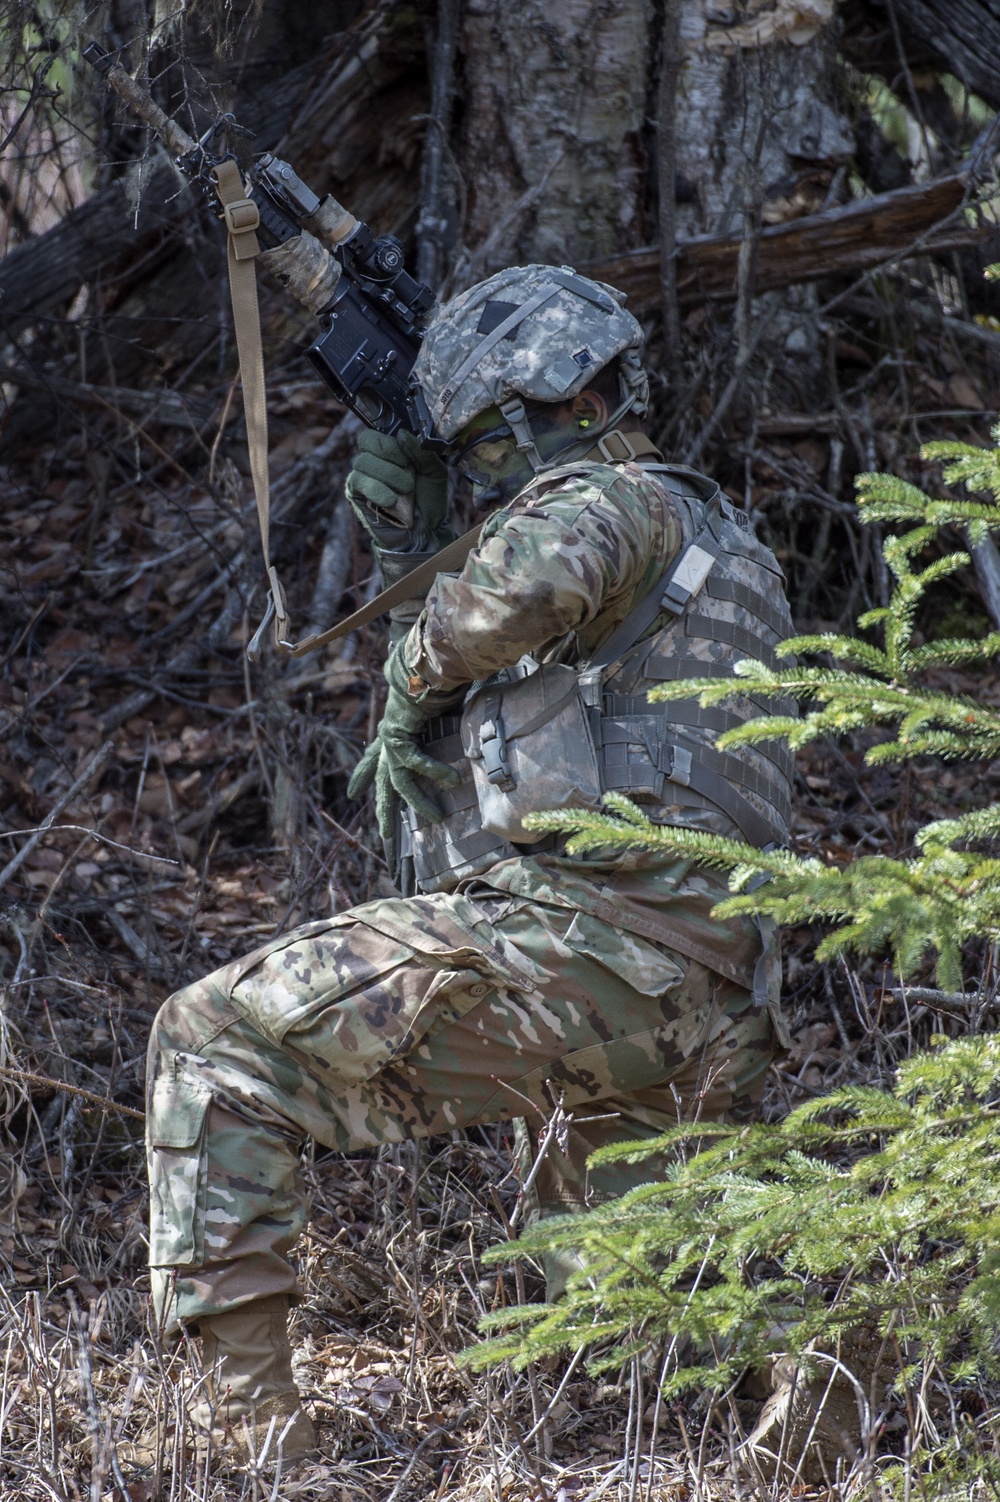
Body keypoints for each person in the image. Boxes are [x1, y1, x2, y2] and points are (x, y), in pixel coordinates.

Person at [143, 264, 794, 1463]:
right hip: (706, 996)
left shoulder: (617, 502)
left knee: (211, 1038)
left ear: (529, 415)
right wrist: (420, 557)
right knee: (654, 1303)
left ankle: (256, 1446)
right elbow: (452, 816)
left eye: (485, 440)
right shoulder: (716, 546)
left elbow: (522, 581)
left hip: (601, 955)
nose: (485, 462)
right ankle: (818, 1433)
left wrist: (414, 635)